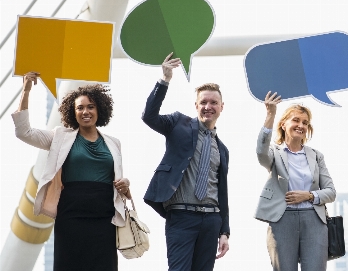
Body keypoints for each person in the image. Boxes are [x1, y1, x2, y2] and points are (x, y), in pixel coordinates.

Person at [13, 72, 131, 271]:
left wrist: (125, 183)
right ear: (72, 112)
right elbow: (23, 132)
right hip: (71, 215)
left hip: (104, 218)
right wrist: (26, 91)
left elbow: (117, 179)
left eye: (90, 107)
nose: (86, 111)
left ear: (99, 109)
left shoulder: (113, 143)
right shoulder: (60, 137)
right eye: (80, 107)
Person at [141, 53, 230, 271]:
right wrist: (165, 79)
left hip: (211, 221)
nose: (208, 106)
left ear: (221, 107)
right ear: (196, 105)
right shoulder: (178, 124)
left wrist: (225, 231)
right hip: (181, 217)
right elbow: (149, 116)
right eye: (203, 102)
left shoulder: (223, 149)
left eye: (213, 102)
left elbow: (222, 191)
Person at [255, 92, 336, 271]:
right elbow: (261, 152)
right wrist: (270, 114)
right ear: (283, 124)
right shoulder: (274, 153)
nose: (301, 125)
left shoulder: (316, 156)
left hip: (314, 220)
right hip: (282, 219)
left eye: (305, 122)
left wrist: (308, 196)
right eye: (296, 120)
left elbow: (331, 192)